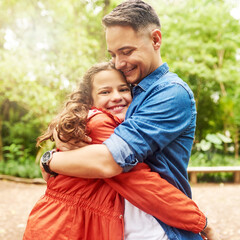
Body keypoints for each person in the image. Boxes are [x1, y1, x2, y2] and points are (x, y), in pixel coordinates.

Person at [40, 1, 220, 239]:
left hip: (159, 229)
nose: (118, 63)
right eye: (113, 54)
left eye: (126, 51)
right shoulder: (129, 91)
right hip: (119, 225)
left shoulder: (171, 93)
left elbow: (112, 163)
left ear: (156, 40)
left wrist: (50, 161)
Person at [23, 62, 208, 240]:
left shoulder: (114, 125)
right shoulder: (98, 124)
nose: (116, 96)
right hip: (63, 227)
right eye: (105, 92)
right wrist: (200, 222)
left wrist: (48, 161)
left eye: (123, 89)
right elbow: (142, 183)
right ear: (90, 100)